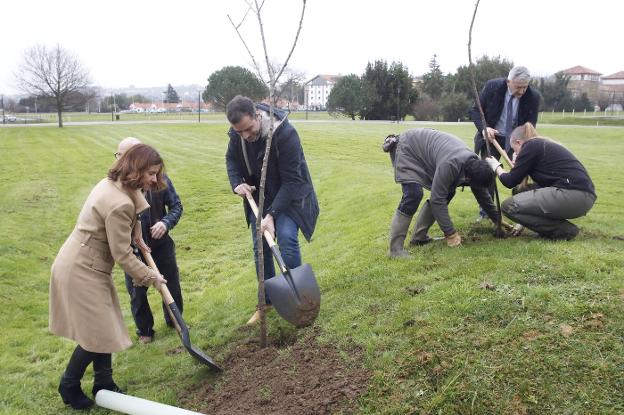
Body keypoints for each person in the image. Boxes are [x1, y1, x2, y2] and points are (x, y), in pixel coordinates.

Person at [49, 144, 167, 410]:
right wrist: (151, 277)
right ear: (135, 169)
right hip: (81, 269)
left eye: (156, 174)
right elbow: (123, 255)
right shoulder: (118, 204)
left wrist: (136, 231)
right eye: (150, 173)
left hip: (87, 261)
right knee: (97, 333)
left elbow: (133, 204)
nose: (154, 180)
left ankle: (104, 383)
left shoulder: (114, 183)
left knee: (104, 327)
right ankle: (69, 385)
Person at [225, 95, 319, 325]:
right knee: (261, 248)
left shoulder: (285, 134)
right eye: (239, 132)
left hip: (289, 197)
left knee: (286, 238)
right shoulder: (238, 136)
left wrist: (272, 215)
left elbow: (293, 180)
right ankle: (266, 302)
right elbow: (231, 160)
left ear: (257, 115)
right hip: (260, 199)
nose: (245, 136)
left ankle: (300, 299)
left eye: (248, 129)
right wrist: (237, 182)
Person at [383, 128, 500, 257]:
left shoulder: (474, 165)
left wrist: (497, 219)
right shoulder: (451, 164)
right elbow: (437, 200)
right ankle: (395, 250)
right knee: (413, 194)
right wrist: (450, 234)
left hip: (424, 151)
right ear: (468, 179)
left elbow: (482, 195)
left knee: (448, 192)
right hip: (407, 148)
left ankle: (419, 238)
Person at [117, 138, 184, 345]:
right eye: (119, 156)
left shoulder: (159, 180)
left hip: (161, 246)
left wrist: (165, 223)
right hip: (134, 252)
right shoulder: (119, 190)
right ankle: (145, 331)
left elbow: (176, 207)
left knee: (170, 284)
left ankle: (176, 321)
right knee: (137, 292)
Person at [486, 123, 596, 240]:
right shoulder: (540, 145)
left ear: (518, 142)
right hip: (581, 196)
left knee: (509, 206)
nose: (516, 154)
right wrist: (522, 223)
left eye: (514, 150)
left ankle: (564, 231)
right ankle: (559, 229)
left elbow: (510, 180)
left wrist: (496, 166)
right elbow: (520, 185)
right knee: (520, 191)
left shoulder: (531, 145)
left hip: (573, 195)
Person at [470, 65, 541, 221]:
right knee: (487, 173)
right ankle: (486, 213)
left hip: (516, 140)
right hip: (492, 138)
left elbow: (530, 126)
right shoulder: (492, 87)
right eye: (518, 87)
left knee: (520, 174)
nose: (522, 91)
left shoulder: (533, 97)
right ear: (509, 81)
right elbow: (475, 111)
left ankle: (522, 211)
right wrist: (484, 128)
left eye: (525, 87)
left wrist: (523, 147)